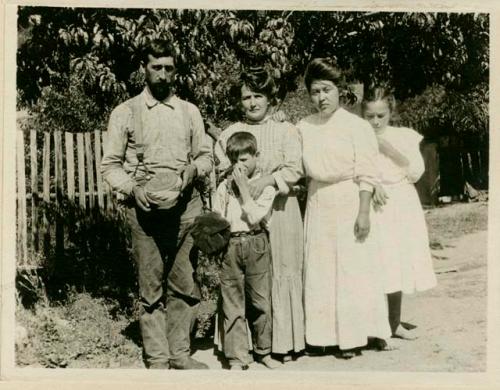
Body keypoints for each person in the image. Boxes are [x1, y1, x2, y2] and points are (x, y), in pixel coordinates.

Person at [101, 39, 213, 369]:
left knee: (184, 281)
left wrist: (194, 169)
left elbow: (205, 156)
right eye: (156, 67)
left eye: (169, 68)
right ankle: (157, 358)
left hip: (185, 207)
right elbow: (110, 165)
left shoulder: (189, 111)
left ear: (175, 71)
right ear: (144, 69)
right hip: (144, 210)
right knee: (150, 286)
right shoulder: (125, 112)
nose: (163, 75)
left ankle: (180, 354)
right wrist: (132, 189)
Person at [296, 58, 392, 358]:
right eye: (315, 92)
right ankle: (323, 336)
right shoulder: (303, 127)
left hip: (349, 199)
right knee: (321, 269)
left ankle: (355, 336)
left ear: (339, 91)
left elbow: (366, 170)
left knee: (352, 269)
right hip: (318, 200)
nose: (321, 98)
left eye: (326, 90)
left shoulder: (356, 125)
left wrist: (363, 211)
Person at [214, 67, 305, 361]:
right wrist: (237, 180)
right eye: (246, 97)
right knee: (247, 281)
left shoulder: (285, 129)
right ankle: (244, 347)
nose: (252, 102)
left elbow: (295, 169)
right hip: (243, 216)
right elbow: (219, 169)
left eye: (258, 95)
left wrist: (267, 180)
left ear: (270, 97)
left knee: (280, 271)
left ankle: (282, 343)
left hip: (280, 210)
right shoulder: (229, 132)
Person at [362, 86, 437, 339]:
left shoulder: (404, 135)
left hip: (401, 202)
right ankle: (373, 325)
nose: (375, 122)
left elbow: (416, 172)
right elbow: (353, 170)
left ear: (390, 112)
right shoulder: (357, 135)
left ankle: (393, 323)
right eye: (370, 116)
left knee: (397, 261)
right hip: (373, 203)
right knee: (376, 262)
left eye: (380, 116)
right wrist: (372, 186)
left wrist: (388, 148)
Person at [213, 131, 279, 370]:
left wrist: (243, 189)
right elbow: (218, 217)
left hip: (256, 242)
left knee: (260, 301)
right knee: (232, 303)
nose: (238, 166)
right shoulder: (223, 186)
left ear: (256, 157)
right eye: (234, 161)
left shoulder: (265, 186)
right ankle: (237, 356)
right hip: (231, 245)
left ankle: (264, 351)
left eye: (244, 160)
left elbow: (254, 216)